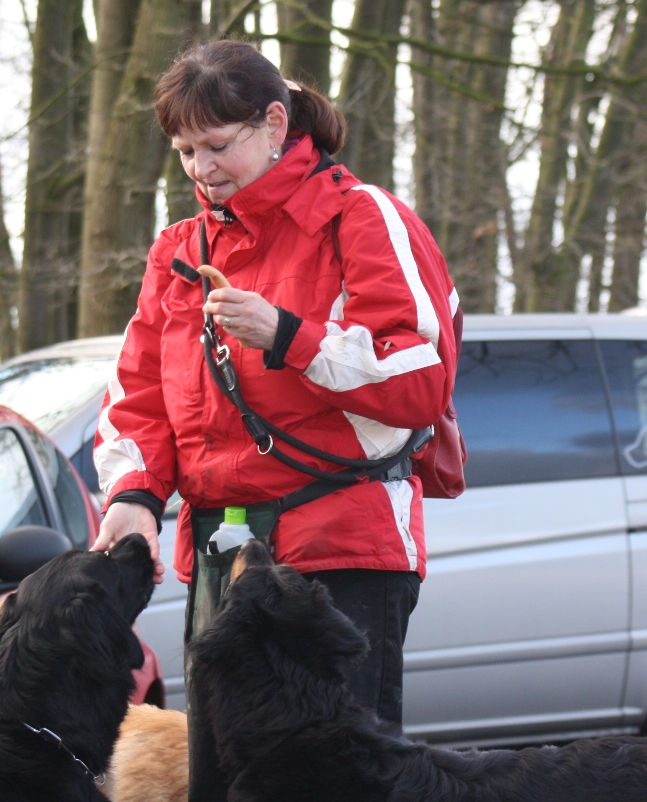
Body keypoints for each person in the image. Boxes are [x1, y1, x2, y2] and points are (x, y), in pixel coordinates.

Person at [87, 40, 459, 802]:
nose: (201, 169)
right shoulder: (179, 250)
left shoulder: (362, 217)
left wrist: (290, 335)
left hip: (341, 549)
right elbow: (139, 397)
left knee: (335, 789)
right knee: (222, 783)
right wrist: (134, 498)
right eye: (185, 151)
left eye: (217, 145)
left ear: (275, 124)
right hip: (221, 551)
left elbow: (420, 379)